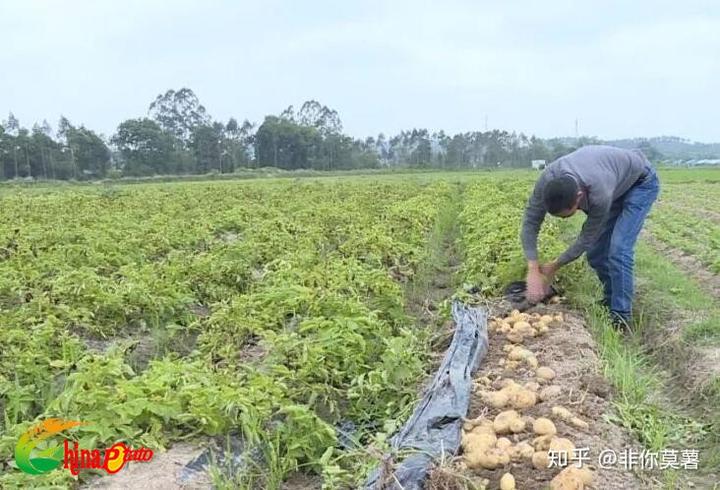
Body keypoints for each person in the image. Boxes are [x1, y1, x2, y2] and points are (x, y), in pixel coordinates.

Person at [520, 145, 660, 328]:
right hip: (615, 181)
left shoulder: (599, 191)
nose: (565, 219)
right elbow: (530, 221)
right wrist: (532, 268)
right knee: (596, 254)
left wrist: (554, 266)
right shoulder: (547, 180)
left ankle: (621, 318)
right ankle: (610, 301)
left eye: (569, 214)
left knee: (618, 249)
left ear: (579, 197)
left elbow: (587, 237)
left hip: (640, 183)